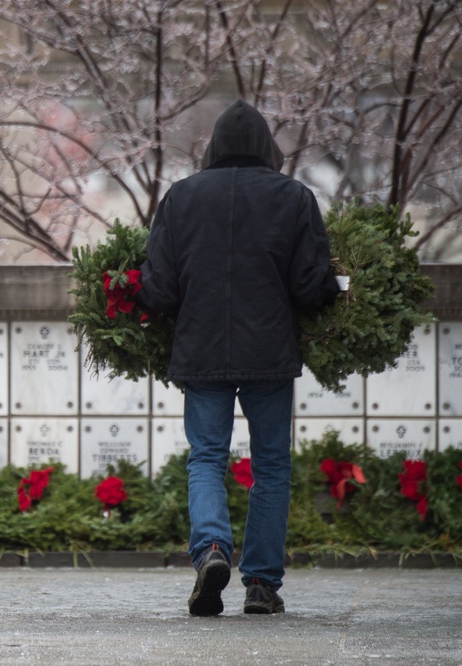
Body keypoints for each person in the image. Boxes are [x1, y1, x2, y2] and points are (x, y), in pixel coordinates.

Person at [137, 100, 339, 616]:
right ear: (266, 148)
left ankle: (210, 551)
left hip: (200, 349)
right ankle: (261, 585)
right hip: (269, 352)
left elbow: (157, 290)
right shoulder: (294, 197)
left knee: (206, 458)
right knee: (270, 465)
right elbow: (311, 287)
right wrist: (336, 293)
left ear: (214, 147)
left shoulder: (180, 199)